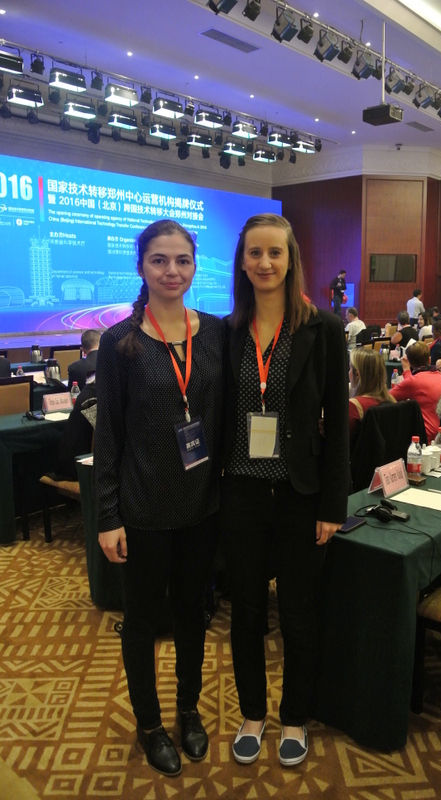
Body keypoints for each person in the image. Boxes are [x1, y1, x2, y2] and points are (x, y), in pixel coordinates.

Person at [95, 220, 225, 778]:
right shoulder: (119, 342)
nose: (172, 271)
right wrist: (107, 516)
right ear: (141, 267)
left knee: (193, 613)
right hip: (143, 506)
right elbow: (108, 436)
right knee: (143, 620)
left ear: (194, 266)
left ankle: (188, 709)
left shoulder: (215, 332)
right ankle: (149, 723)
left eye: (182, 260)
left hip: (202, 505)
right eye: (159, 260)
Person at [220, 213, 349, 768]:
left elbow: (337, 424)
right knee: (246, 613)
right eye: (255, 253)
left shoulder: (324, 329)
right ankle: (253, 713)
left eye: (275, 252)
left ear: (292, 258)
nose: (265, 262)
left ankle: (294, 715)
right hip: (241, 494)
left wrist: (333, 504)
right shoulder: (227, 332)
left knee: (299, 614)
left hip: (301, 495)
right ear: (242, 262)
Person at [389, 341, 441, 444]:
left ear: (410, 362)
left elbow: (387, 397)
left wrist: (406, 369)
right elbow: (412, 384)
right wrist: (407, 371)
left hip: (425, 437)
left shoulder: (413, 381)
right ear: (429, 360)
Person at [349, 347, 395, 450]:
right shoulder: (392, 401)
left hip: (358, 459)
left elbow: (340, 442)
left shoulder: (353, 406)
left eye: (349, 368)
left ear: (357, 374)